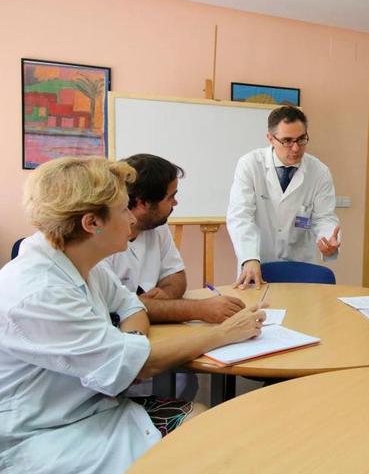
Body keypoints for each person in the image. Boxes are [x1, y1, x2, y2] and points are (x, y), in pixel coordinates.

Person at [0, 157, 265, 473]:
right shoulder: (38, 292)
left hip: (88, 408)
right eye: (124, 209)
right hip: (44, 434)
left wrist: (131, 347)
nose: (131, 219)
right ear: (92, 223)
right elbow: (142, 363)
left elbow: (133, 307)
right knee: (209, 447)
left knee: (205, 421)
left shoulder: (80, 260)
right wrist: (224, 333)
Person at [103, 154, 246, 323]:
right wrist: (201, 309)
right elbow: (119, 305)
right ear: (143, 203)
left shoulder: (157, 225)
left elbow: (176, 275)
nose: (175, 203)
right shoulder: (101, 240)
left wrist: (166, 294)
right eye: (170, 197)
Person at [227, 105, 340, 289]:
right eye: (287, 140)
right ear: (270, 139)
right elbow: (240, 216)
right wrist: (249, 257)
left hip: (301, 268)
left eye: (302, 139)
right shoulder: (250, 165)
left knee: (301, 315)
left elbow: (324, 217)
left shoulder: (319, 172)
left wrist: (328, 240)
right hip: (257, 264)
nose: (296, 148)